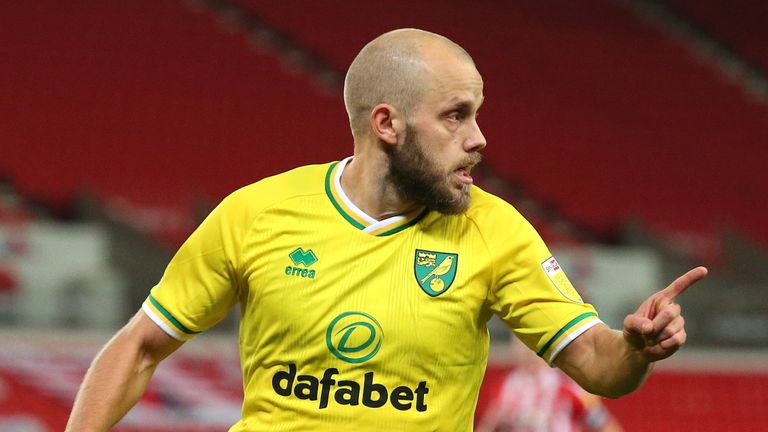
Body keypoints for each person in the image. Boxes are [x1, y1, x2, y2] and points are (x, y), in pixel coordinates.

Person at [66, 28, 707, 431]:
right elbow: (139, 347)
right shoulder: (256, 214)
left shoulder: (495, 231)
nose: (479, 139)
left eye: (477, 114)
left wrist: (634, 349)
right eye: (455, 116)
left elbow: (596, 364)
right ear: (387, 124)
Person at [476, 340, 623, 432]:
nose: (527, 353)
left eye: (531, 348)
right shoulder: (508, 385)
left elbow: (604, 424)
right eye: (521, 346)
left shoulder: (567, 385)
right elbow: (489, 425)